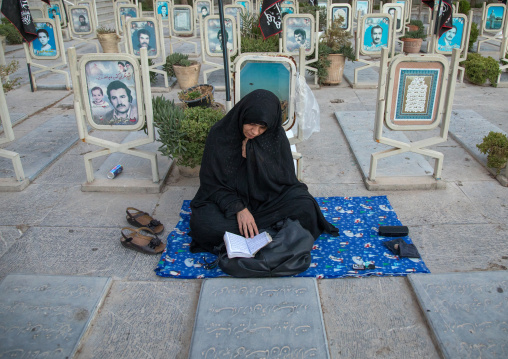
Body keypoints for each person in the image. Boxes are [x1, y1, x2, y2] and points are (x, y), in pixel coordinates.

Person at [188, 89, 339, 254]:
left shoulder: (275, 135)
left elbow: (283, 179)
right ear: (242, 115)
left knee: (306, 206)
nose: (255, 132)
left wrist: (255, 158)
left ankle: (249, 237)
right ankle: (273, 232)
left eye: (262, 127)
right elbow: (212, 184)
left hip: (267, 200)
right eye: (251, 124)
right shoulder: (220, 135)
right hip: (229, 202)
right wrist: (239, 209)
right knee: (204, 224)